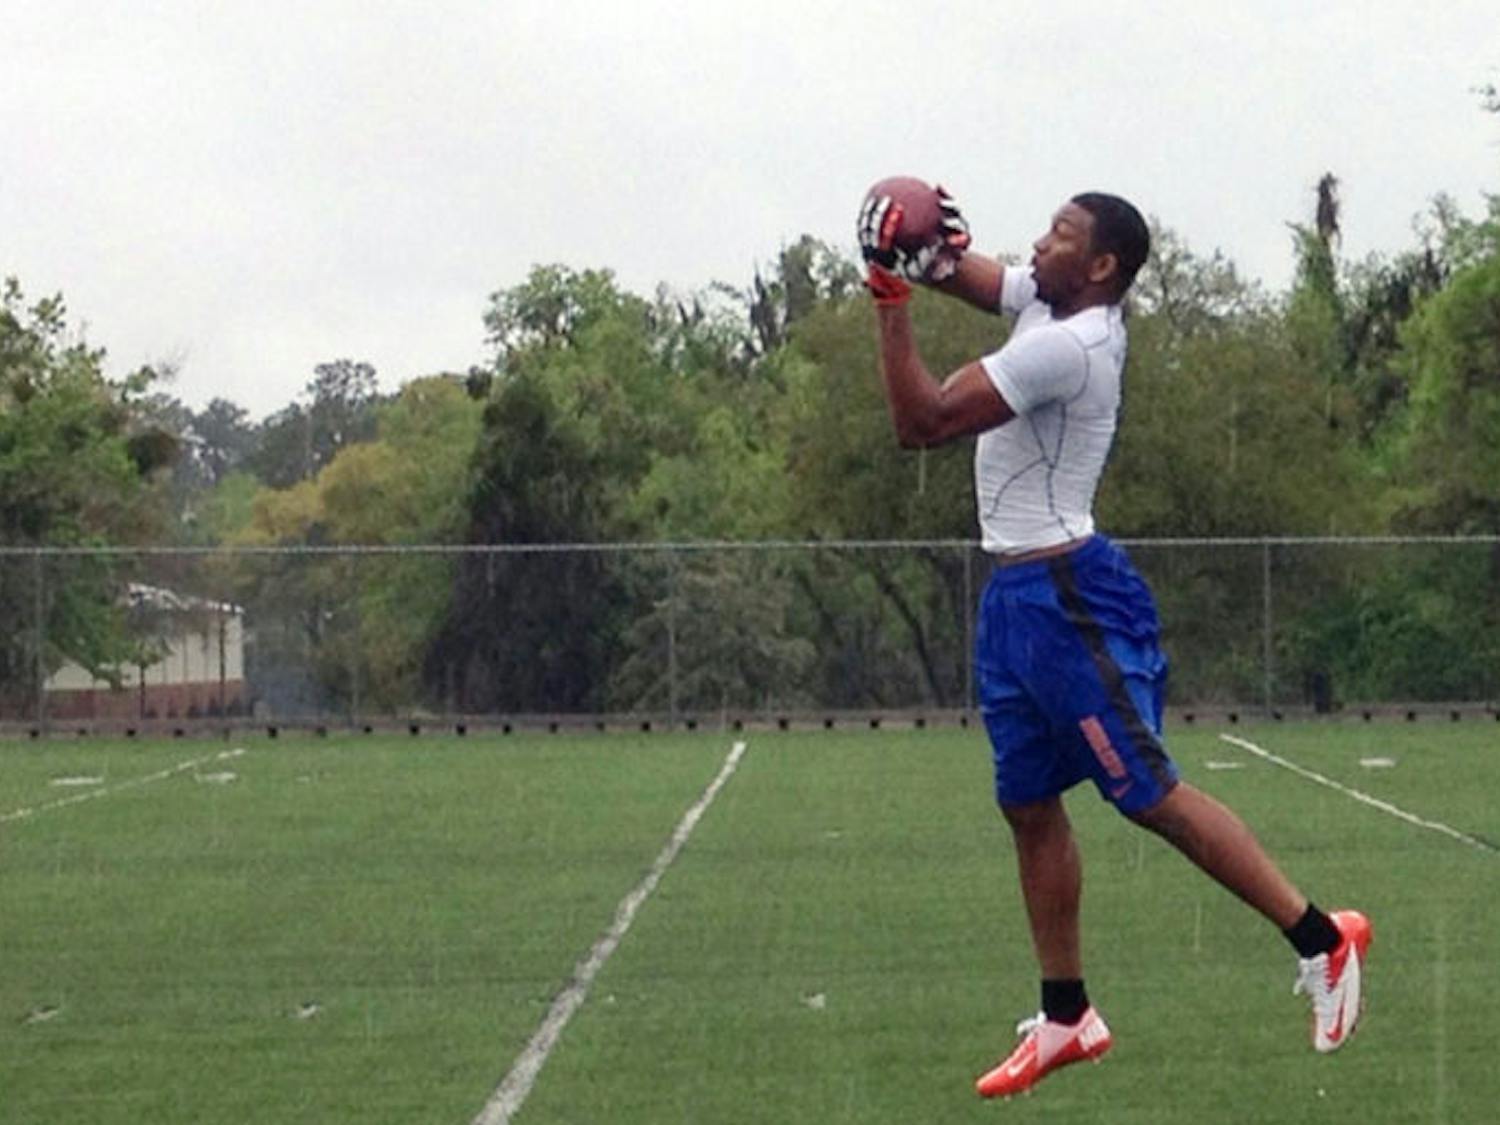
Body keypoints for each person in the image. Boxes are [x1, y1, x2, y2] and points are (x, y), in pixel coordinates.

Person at [855, 187, 1372, 1099]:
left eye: (1061, 237)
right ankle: (1067, 1014)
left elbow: (922, 420)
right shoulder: (1052, 301)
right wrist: (926, 251)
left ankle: (1324, 941)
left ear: (1100, 268)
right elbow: (982, 280)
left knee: (1149, 795)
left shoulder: (1071, 344)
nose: (1039, 244)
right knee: (1028, 802)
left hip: (1071, 599)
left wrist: (890, 296)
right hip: (1017, 596)